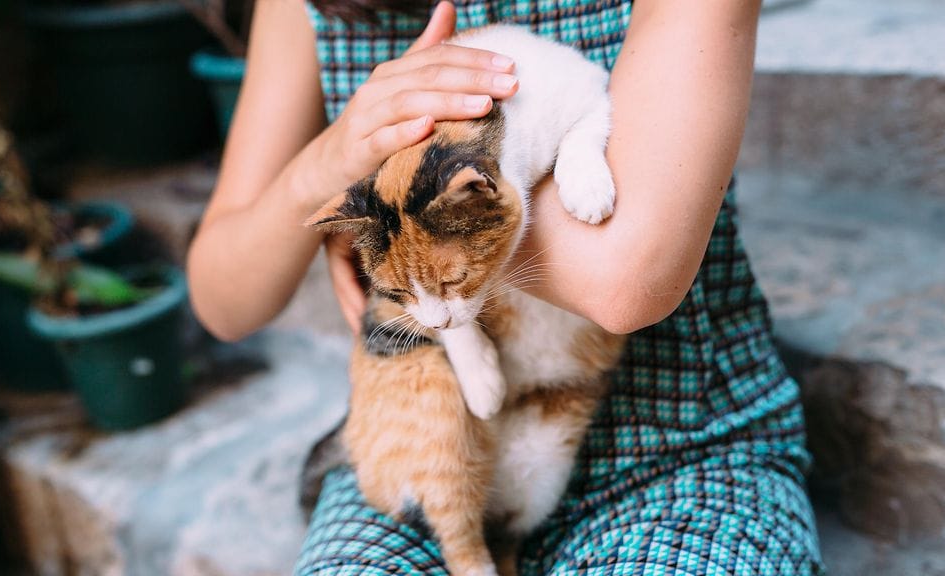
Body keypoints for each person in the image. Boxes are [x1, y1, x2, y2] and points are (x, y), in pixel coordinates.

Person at [187, 0, 826, 573]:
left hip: (682, 444)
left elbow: (625, 281)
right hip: (446, 450)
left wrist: (426, 207)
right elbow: (224, 302)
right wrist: (332, 161)